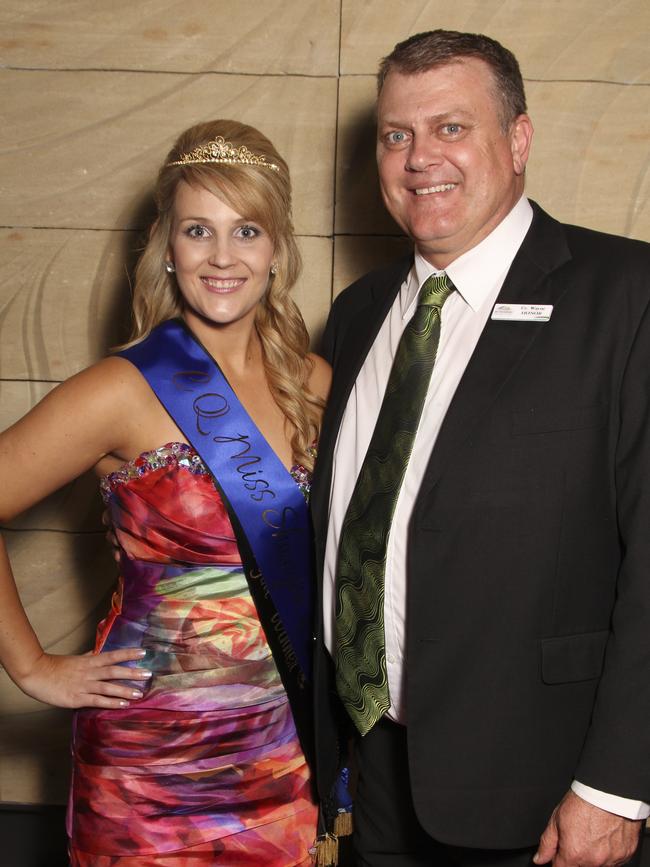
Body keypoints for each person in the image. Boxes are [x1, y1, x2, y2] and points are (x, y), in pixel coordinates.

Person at [311, 29, 650, 867]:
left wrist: (615, 785)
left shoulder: (626, 296)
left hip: (544, 794)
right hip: (372, 773)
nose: (420, 157)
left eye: (451, 128)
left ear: (519, 139)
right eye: (397, 135)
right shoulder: (356, 315)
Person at [0, 119, 331, 865]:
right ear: (167, 246)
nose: (222, 257)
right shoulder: (120, 389)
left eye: (246, 229)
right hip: (148, 767)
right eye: (197, 230)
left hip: (281, 759)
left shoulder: (315, 383)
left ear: (277, 247)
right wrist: (32, 666)